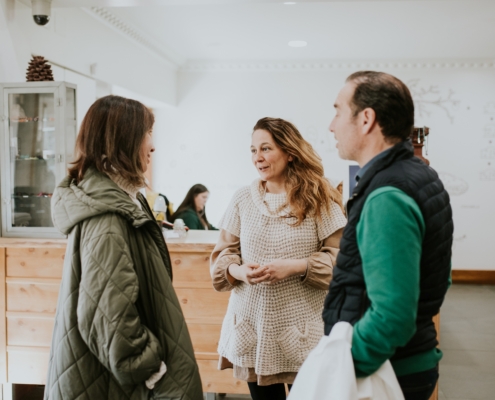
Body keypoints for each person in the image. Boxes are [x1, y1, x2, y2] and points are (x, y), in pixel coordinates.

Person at [44, 95, 203, 400]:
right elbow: (105, 314)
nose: (153, 146)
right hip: (116, 385)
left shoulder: (123, 201)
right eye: (147, 134)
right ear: (122, 141)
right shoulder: (108, 217)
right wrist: (151, 369)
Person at [322, 71, 453, 400]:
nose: (331, 126)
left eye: (338, 111)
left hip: (386, 370)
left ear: (366, 119)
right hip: (405, 362)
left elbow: (393, 316)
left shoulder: (387, 196)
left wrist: (343, 365)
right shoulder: (417, 174)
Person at [210, 117, 347, 400]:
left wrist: (296, 267)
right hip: (252, 330)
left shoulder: (319, 196)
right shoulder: (242, 199)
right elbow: (223, 255)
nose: (257, 157)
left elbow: (340, 261)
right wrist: (238, 271)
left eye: (266, 149)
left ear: (290, 152)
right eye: (253, 150)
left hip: (303, 333)